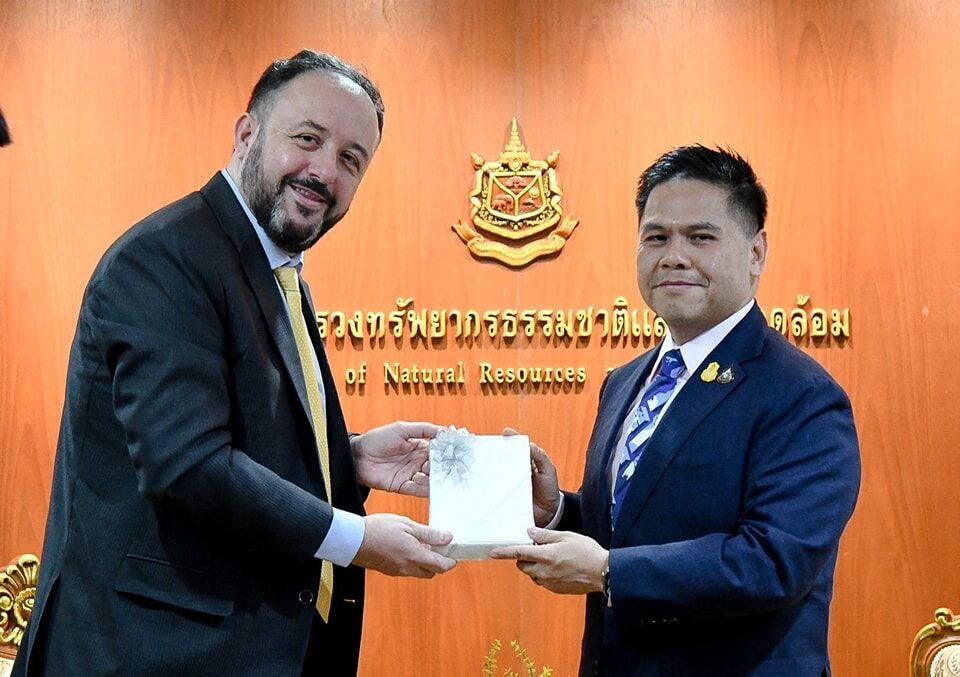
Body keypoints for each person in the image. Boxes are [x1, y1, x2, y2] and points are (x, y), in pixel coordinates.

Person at [13, 50, 457, 677]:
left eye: (350, 159)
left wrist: (347, 459)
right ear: (247, 133)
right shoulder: (166, 258)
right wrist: (353, 538)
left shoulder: (272, 271)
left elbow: (237, 436)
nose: (324, 171)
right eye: (308, 139)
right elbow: (188, 463)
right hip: (148, 655)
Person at [493, 145, 861, 676]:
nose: (674, 256)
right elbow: (635, 529)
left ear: (756, 253)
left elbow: (774, 560)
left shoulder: (802, 395)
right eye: (657, 237)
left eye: (701, 237)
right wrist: (556, 511)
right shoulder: (624, 382)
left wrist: (609, 573)